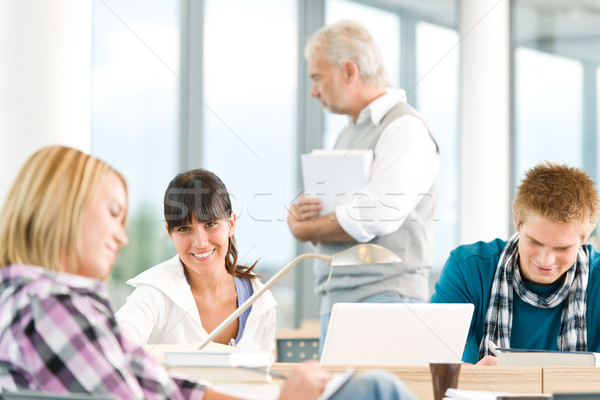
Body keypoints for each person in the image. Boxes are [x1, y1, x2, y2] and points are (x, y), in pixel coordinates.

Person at [0, 145, 418, 399]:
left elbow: (166, 389)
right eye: (112, 214)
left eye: (210, 225)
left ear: (231, 223)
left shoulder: (49, 304)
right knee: (374, 389)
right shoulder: (52, 310)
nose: (122, 237)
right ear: (66, 213)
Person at [287, 20, 440, 346]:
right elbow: (344, 213)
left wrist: (306, 229)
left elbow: (377, 212)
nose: (313, 91)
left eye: (317, 77)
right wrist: (309, 213)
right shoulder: (348, 133)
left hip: (385, 301)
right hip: (340, 301)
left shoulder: (404, 128)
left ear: (349, 71)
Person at [431, 161, 600, 366]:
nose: (545, 260)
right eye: (535, 242)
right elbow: (430, 357)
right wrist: (472, 375)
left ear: (584, 237)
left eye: (562, 248)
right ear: (517, 221)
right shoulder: (468, 268)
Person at [116, 169, 276, 352]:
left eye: (210, 224)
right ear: (170, 232)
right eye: (184, 229)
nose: (200, 242)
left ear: (231, 224)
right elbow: (114, 346)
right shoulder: (156, 292)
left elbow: (263, 376)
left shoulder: (260, 301)